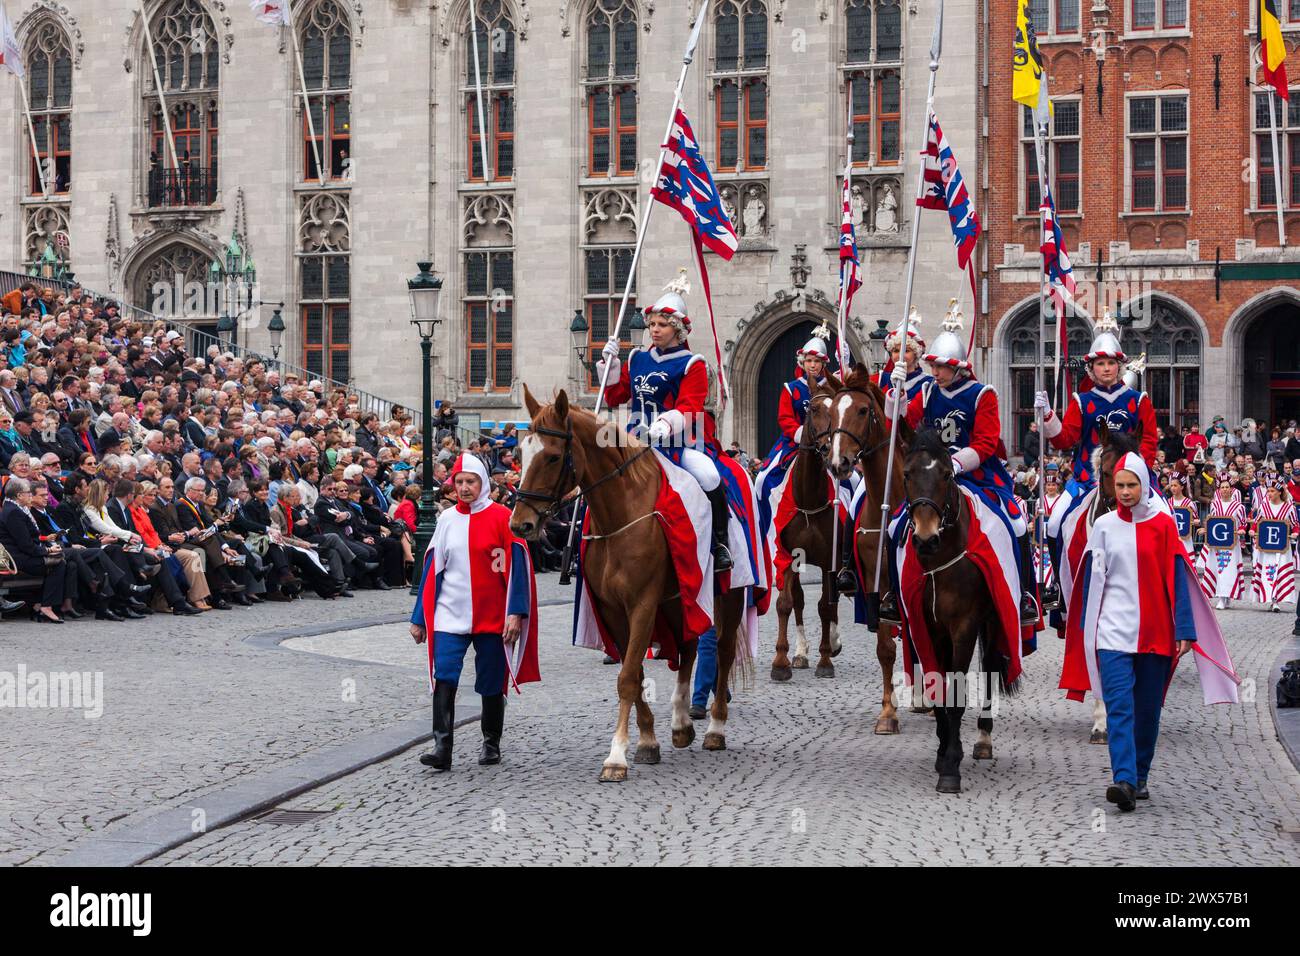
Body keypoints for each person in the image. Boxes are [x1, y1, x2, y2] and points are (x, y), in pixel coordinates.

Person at [1061, 452, 1238, 811]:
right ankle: (1123, 779)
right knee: (1119, 706)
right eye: (1119, 485)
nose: (1125, 491)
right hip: (1112, 632)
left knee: (1147, 711)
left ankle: (1140, 775)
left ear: (1144, 486)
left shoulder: (1164, 524)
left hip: (1156, 631)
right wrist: (1084, 623)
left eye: (1131, 485)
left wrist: (1185, 628)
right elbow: (1091, 583)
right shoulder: (1104, 526)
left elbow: (1178, 577)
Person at [879, 300, 1038, 624]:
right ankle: (894, 595)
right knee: (895, 523)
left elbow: (986, 442)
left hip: (978, 474)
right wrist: (895, 394)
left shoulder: (983, 394)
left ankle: (1024, 595)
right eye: (932, 365)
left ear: (957, 366)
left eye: (940, 366)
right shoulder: (928, 392)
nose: (934, 372)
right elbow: (904, 426)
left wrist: (954, 464)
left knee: (1016, 524)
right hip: (934, 477)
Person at [596, 271, 737, 573]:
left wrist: (665, 425)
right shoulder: (637, 358)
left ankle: (720, 544)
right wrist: (609, 369)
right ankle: (591, 541)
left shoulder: (692, 363)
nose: (655, 330)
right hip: (635, 437)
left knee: (710, 476)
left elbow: (690, 406)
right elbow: (616, 397)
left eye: (662, 325)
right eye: (652, 324)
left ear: (677, 330)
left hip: (678, 440)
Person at [409, 453, 539, 771]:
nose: (464, 488)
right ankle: (442, 748)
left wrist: (516, 613)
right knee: (445, 677)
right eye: (459, 482)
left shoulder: (502, 518)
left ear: (483, 484)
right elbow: (431, 570)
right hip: (449, 614)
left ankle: (491, 742)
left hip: (493, 615)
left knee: (492, 682)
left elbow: (518, 568)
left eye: (471, 481)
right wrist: (418, 618)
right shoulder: (446, 519)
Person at [754, 323, 834, 583]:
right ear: (802, 361)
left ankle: (845, 551)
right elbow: (785, 419)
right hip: (793, 443)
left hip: (827, 444)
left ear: (824, 363)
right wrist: (801, 435)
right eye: (809, 360)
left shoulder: (832, 388)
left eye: (817, 361)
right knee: (763, 479)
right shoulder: (792, 388)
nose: (812, 365)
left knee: (852, 484)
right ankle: (765, 533)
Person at [0, 477, 68, 623]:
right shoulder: (13, 512)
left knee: (64, 561)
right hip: (18, 559)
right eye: (28, 493)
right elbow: (26, 545)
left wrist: (46, 548)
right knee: (59, 563)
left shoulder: (15, 509)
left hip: (22, 554)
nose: (30, 495)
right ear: (19, 495)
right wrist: (48, 551)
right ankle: (45, 606)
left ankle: (41, 605)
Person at [1250, 477, 1297, 612]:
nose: (1269, 493)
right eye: (1268, 491)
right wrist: (1253, 530)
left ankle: (1276, 599)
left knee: (1279, 571)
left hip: (1282, 547)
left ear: (1279, 492)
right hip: (1267, 547)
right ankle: (1271, 598)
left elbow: (1295, 525)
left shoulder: (1289, 507)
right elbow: (1256, 523)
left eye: (1272, 491)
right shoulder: (1264, 506)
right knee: (1269, 571)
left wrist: (1295, 533)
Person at [1199, 480, 1246, 610]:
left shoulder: (1239, 506)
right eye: (1222, 487)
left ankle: (1227, 596)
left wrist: (1242, 529)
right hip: (1217, 542)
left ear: (1231, 490)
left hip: (1232, 543)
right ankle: (1221, 596)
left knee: (1229, 570)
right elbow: (1212, 522)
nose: (1225, 489)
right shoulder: (1215, 505)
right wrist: (1206, 529)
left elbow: (1243, 522)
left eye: (1227, 487)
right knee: (1219, 569)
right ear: (1219, 490)